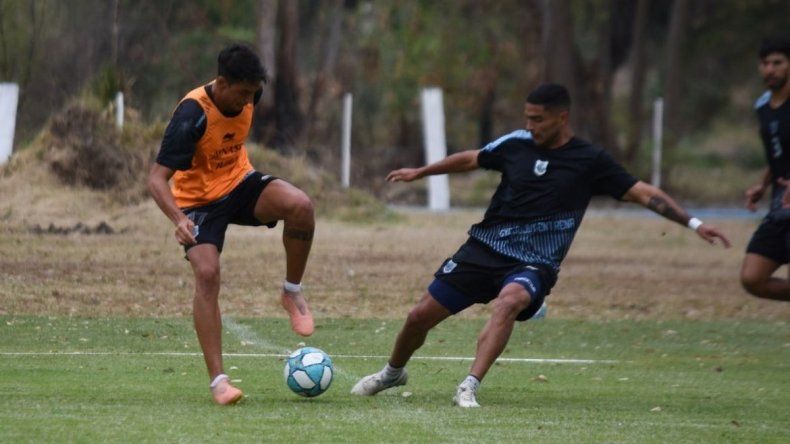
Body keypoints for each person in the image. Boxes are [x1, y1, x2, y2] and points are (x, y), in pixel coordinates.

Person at [350, 83, 731, 408]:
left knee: (510, 301)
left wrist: (694, 223)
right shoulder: (516, 144)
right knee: (418, 317)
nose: (530, 126)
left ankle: (469, 386)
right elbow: (472, 158)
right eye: (527, 117)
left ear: (561, 117)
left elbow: (643, 193)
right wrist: (422, 171)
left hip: (535, 263)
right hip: (483, 248)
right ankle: (392, 373)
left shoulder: (589, 160)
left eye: (538, 120)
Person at [148, 44, 316, 405]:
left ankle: (291, 291)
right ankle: (219, 382)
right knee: (207, 274)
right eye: (241, 93)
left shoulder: (250, 94)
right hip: (198, 203)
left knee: (301, 206)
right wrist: (178, 219)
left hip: (239, 183)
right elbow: (156, 179)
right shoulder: (191, 114)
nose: (246, 101)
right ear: (221, 83)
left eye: (252, 94)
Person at [741, 36, 790, 301]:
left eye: (777, 63)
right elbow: (777, 152)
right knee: (752, 278)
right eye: (765, 63)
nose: (770, 69)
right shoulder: (763, 105)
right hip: (779, 205)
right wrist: (763, 184)